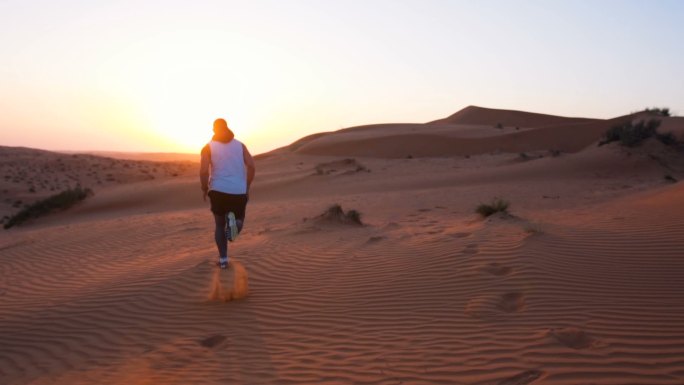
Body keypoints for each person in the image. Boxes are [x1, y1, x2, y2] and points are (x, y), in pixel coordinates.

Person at [200, 118, 256, 269]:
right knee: (239, 218)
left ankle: (223, 260)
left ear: (214, 130)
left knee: (219, 225)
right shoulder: (240, 146)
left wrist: (204, 188)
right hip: (238, 190)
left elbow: (204, 170)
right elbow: (251, 166)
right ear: (227, 127)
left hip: (217, 190)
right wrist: (247, 186)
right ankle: (236, 224)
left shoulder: (208, 147)